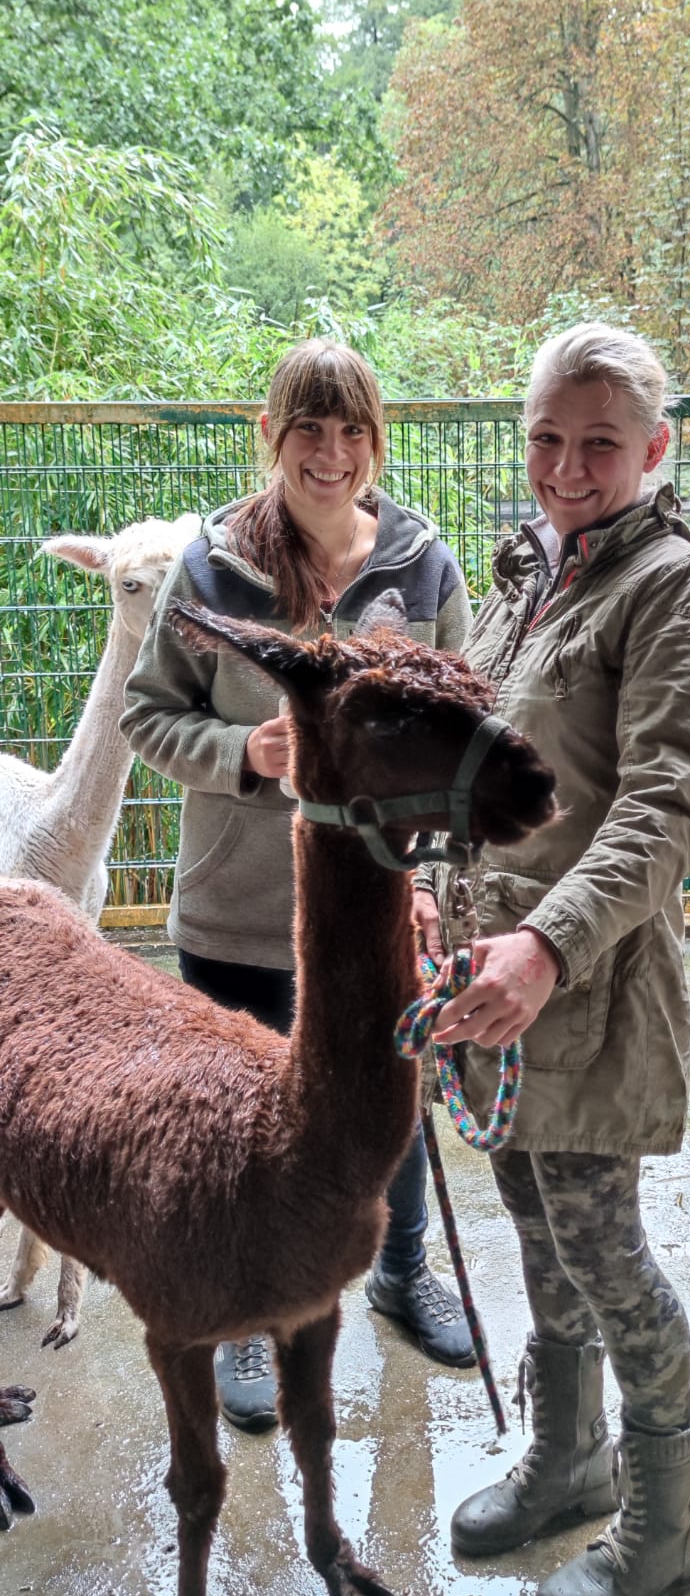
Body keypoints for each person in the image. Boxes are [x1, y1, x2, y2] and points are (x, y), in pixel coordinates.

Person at [414, 321, 690, 1596]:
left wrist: (546, 944)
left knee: (610, 1257)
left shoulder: (673, 588)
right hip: (485, 984)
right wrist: (430, 900)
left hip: (584, 988)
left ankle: (667, 1527)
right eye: (548, 436)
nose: (565, 465)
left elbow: (666, 804)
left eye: (598, 442)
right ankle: (570, 1463)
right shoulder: (526, 576)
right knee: (539, 1236)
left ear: (654, 451)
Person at [121, 338, 476, 1434]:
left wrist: (432, 883)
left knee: (384, 1108)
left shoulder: (421, 566)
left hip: (374, 910)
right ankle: (236, 1319)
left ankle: (402, 1270)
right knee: (229, 1124)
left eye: (352, 430)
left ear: (376, 440)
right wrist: (245, 752)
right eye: (308, 429)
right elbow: (146, 713)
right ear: (268, 434)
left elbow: (459, 733)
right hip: (240, 911)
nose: (331, 453)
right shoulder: (213, 567)